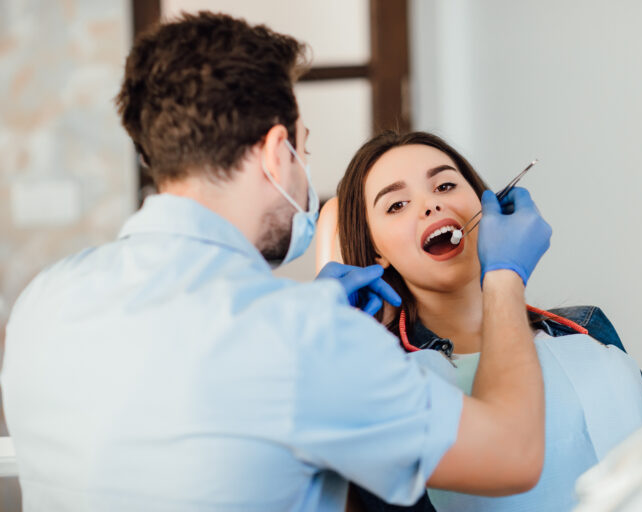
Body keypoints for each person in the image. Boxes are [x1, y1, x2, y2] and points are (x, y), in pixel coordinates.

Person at [0, 12, 554, 512]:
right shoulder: (304, 334)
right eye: (304, 151)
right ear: (275, 152)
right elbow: (515, 453)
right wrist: (503, 275)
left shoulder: (42, 302)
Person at [335, 131, 642, 511]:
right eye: (397, 205)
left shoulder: (586, 328)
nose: (430, 205)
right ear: (376, 250)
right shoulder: (383, 383)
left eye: (446, 184)